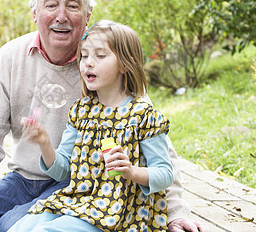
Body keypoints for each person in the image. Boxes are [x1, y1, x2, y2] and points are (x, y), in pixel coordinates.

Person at [0, 0, 210, 232]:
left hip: (81, 183)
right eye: (51, 4)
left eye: (73, 5)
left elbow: (155, 143)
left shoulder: (108, 64)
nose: (62, 16)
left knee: (12, 227)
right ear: (34, 12)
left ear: (87, 14)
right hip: (23, 178)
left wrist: (175, 212)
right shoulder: (11, 57)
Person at [11, 20, 174, 231]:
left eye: (100, 55)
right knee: (21, 227)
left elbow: (165, 174)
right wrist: (44, 143)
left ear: (125, 64)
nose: (88, 62)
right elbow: (62, 171)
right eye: (84, 56)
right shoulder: (81, 112)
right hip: (80, 202)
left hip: (119, 214)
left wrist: (131, 172)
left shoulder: (142, 116)